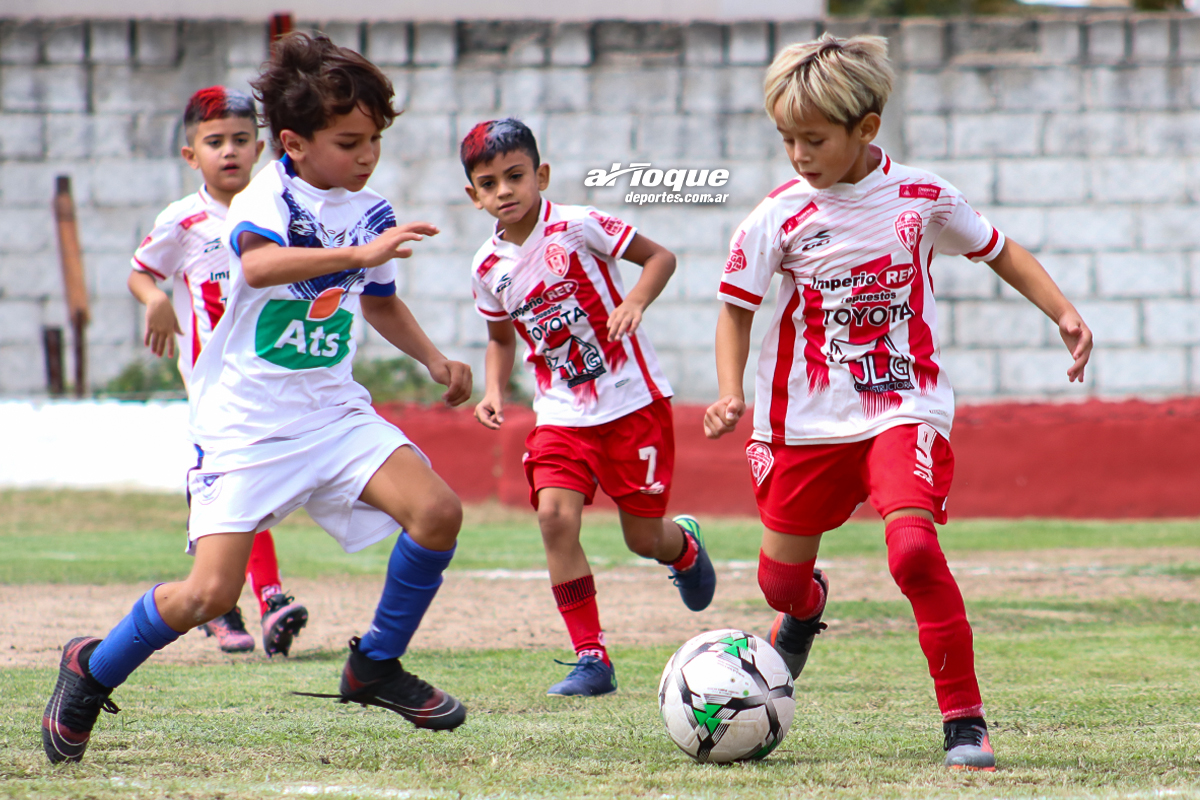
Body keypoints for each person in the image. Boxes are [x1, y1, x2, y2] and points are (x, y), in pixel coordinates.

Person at [42, 32, 472, 765]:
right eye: (350, 141)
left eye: (375, 140)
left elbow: (378, 301)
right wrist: (357, 256)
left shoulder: (369, 208)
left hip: (333, 413)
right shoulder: (266, 194)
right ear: (296, 144)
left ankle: (373, 666)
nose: (367, 155)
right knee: (208, 595)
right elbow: (262, 263)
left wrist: (434, 358)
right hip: (245, 425)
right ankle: (91, 668)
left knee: (437, 512)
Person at [703, 34, 1093, 771]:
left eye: (814, 139)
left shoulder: (922, 197)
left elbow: (1000, 248)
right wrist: (729, 393)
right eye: (786, 139)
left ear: (867, 129)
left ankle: (964, 722)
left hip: (901, 406)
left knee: (912, 551)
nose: (798, 154)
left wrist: (1062, 311)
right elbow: (735, 309)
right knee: (778, 584)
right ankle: (807, 608)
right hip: (802, 423)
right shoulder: (775, 217)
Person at [463, 118, 717, 697]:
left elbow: (661, 258)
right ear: (474, 196)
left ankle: (682, 547)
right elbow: (501, 338)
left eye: (515, 176)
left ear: (540, 175)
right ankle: (591, 657)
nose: (504, 190)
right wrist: (495, 390)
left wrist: (634, 300)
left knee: (641, 539)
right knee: (554, 516)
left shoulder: (578, 226)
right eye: (489, 182)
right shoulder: (487, 270)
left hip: (632, 403)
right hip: (560, 414)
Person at [128, 86, 309, 658]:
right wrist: (153, 300)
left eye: (239, 140)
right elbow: (141, 273)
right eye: (214, 142)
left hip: (268, 376)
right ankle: (263, 599)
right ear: (191, 156)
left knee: (243, 484)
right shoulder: (182, 221)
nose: (228, 151)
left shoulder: (278, 209)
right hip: (215, 387)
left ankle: (231, 604)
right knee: (236, 481)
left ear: (260, 147)